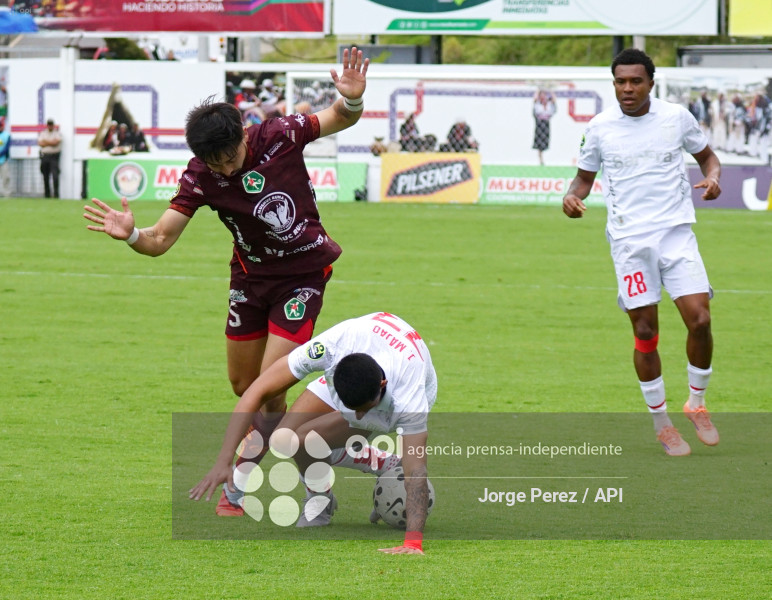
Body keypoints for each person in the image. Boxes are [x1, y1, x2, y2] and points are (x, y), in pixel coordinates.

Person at [84, 46, 370, 511]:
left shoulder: (279, 134)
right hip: (250, 280)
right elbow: (159, 239)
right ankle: (322, 452)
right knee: (246, 387)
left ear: (243, 133)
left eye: (229, 156)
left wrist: (353, 98)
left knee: (270, 384)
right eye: (214, 162)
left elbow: (341, 116)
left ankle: (254, 478)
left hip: (302, 275)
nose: (225, 168)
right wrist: (132, 233)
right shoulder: (200, 176)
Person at [562, 48, 721, 457]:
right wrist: (570, 197)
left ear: (652, 82)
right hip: (630, 243)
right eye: (620, 81)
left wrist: (714, 178)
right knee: (646, 332)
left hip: (675, 234)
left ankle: (697, 404)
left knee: (700, 319)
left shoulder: (676, 117)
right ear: (613, 83)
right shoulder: (599, 127)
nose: (627, 88)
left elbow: (707, 157)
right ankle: (663, 424)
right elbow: (583, 179)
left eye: (635, 81)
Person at [189, 311, 436, 555]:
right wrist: (224, 460)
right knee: (285, 440)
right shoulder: (331, 348)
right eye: (352, 410)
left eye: (363, 410)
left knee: (310, 441)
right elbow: (256, 391)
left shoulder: (409, 398)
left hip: (398, 389)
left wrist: (413, 542)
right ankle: (340, 486)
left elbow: (416, 469)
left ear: (381, 386)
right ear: (332, 375)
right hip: (363, 358)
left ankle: (322, 497)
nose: (359, 417)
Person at [38, 118, 62, 198]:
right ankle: (47, 195)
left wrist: (46, 141)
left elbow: (56, 143)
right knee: (45, 176)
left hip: (54, 156)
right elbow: (40, 143)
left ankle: (56, 195)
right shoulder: (43, 133)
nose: (50, 126)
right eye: (49, 125)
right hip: (45, 156)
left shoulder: (57, 133)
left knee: (55, 176)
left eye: (51, 125)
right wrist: (51, 142)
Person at [532, 89, 556, 165]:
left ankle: (542, 158)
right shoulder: (538, 105)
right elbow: (535, 100)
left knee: (545, 142)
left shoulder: (549, 104)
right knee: (539, 143)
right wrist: (538, 89)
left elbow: (554, 100)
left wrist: (551, 89)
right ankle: (540, 159)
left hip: (546, 124)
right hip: (539, 124)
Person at [0, 118, 10, 197]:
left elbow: (7, 148)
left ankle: (6, 194)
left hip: (3, 160)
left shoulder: (7, 135)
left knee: (5, 178)